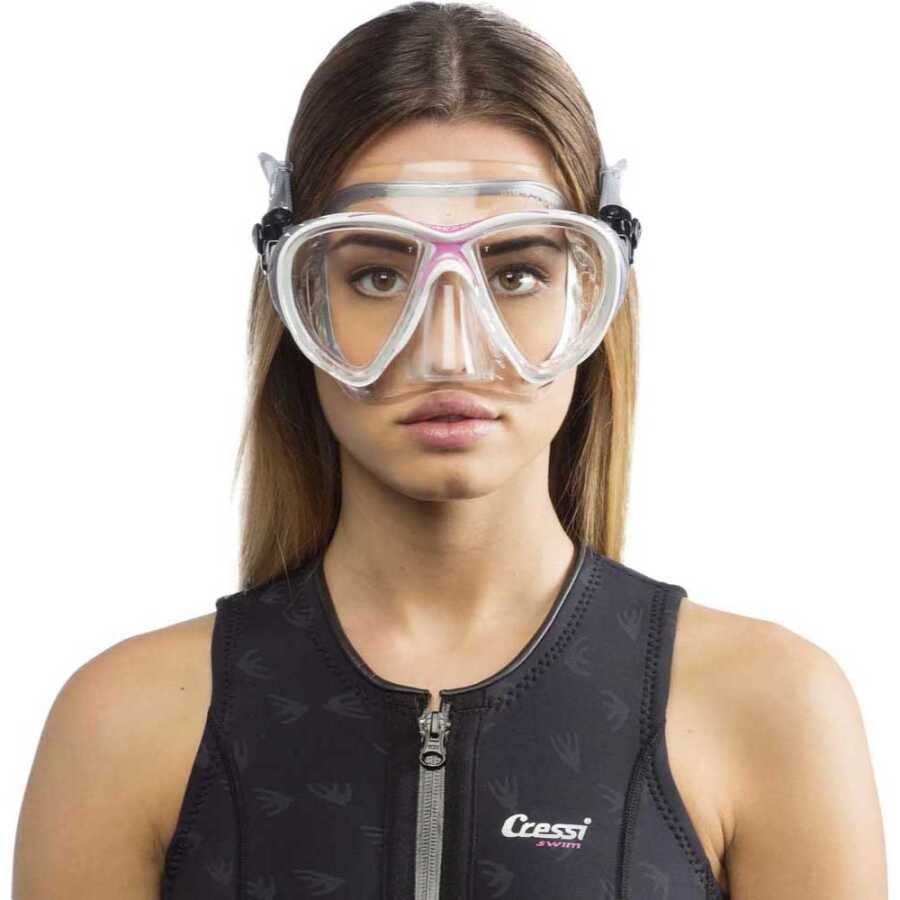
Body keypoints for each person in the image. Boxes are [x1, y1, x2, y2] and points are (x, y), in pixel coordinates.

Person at [13, 3, 887, 899]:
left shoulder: (770, 706)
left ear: (595, 296)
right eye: (378, 275)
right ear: (298, 300)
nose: (449, 352)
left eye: (516, 274)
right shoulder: (123, 723)